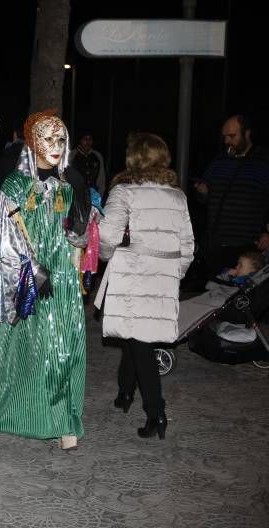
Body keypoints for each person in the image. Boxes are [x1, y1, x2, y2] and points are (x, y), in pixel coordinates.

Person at [0, 110, 90, 451]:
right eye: (47, 138)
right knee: (25, 349)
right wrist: (32, 272)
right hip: (24, 277)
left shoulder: (70, 183)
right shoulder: (15, 184)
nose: (55, 146)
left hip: (64, 278)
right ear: (31, 142)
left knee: (60, 348)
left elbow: (81, 236)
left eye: (60, 139)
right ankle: (22, 413)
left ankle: (61, 420)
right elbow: (5, 235)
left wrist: (82, 194)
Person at [94, 132, 194, 440]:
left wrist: (108, 257)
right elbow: (188, 245)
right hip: (162, 274)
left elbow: (108, 236)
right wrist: (174, 272)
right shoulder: (177, 196)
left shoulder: (124, 191)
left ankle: (157, 413)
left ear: (133, 158)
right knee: (137, 337)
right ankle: (125, 392)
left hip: (133, 273)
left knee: (140, 342)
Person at [194, 115, 269, 278]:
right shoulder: (219, 161)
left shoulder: (263, 162)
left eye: (232, 136)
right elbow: (203, 198)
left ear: (247, 134)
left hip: (246, 248)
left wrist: (267, 231)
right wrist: (202, 192)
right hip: (215, 244)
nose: (227, 141)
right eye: (225, 137)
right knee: (212, 292)